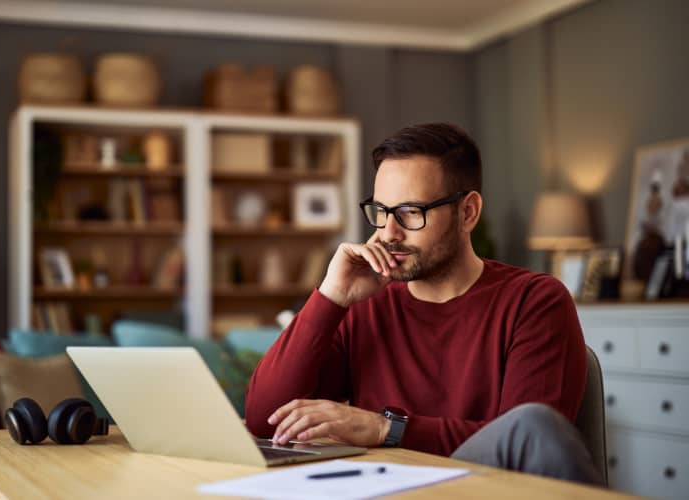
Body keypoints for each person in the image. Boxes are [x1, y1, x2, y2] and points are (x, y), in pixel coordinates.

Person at [245, 123, 602, 485]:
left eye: (411, 212)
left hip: (481, 488)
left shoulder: (535, 301)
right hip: (386, 491)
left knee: (533, 424)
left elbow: (527, 445)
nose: (388, 233)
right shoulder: (365, 306)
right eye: (381, 211)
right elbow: (264, 419)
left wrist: (388, 428)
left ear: (468, 213)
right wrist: (330, 297)